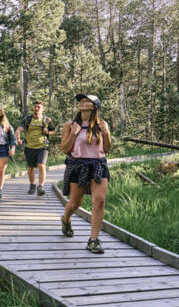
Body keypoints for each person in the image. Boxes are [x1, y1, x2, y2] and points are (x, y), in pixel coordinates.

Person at [59, 93, 112, 253]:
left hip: (98, 165)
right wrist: (74, 132)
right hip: (77, 165)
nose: (82, 102)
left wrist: (106, 133)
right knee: (75, 203)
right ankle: (66, 219)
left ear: (94, 106)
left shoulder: (102, 124)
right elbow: (64, 149)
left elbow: (107, 149)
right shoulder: (70, 125)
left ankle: (93, 240)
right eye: (81, 100)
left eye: (86, 100)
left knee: (100, 201)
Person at [16, 100, 56, 196]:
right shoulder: (27, 119)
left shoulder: (47, 120)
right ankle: (32, 185)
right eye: (35, 107)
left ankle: (41, 186)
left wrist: (48, 132)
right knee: (30, 168)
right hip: (29, 147)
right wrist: (18, 138)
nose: (36, 108)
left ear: (43, 109)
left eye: (39, 107)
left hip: (42, 147)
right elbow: (18, 130)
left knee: (41, 165)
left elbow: (54, 131)